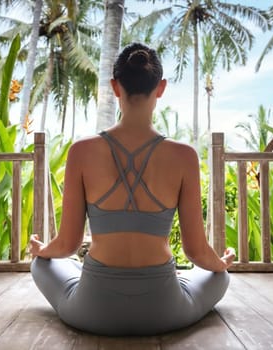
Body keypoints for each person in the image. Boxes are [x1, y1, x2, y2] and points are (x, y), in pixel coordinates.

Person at [29, 42, 236, 336]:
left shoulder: (81, 152)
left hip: (93, 311)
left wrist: (42, 249)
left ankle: (79, 277)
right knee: (219, 276)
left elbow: (67, 245)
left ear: (115, 86)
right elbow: (196, 250)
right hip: (164, 310)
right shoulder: (184, 156)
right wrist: (221, 263)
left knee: (42, 265)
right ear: (161, 87)